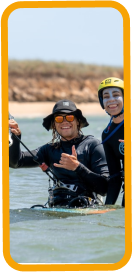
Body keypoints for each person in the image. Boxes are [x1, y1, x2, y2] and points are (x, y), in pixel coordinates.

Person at [9, 99, 109, 208]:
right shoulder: (49, 150)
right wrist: (15, 137)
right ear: (54, 124)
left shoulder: (93, 145)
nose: (65, 122)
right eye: (59, 118)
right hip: (58, 209)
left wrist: (77, 167)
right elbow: (16, 162)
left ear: (78, 121)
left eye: (70, 117)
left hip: (87, 210)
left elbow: (105, 188)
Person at [98, 77, 124, 206]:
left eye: (116, 95)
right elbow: (115, 178)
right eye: (106, 96)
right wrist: (107, 208)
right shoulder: (107, 134)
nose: (111, 100)